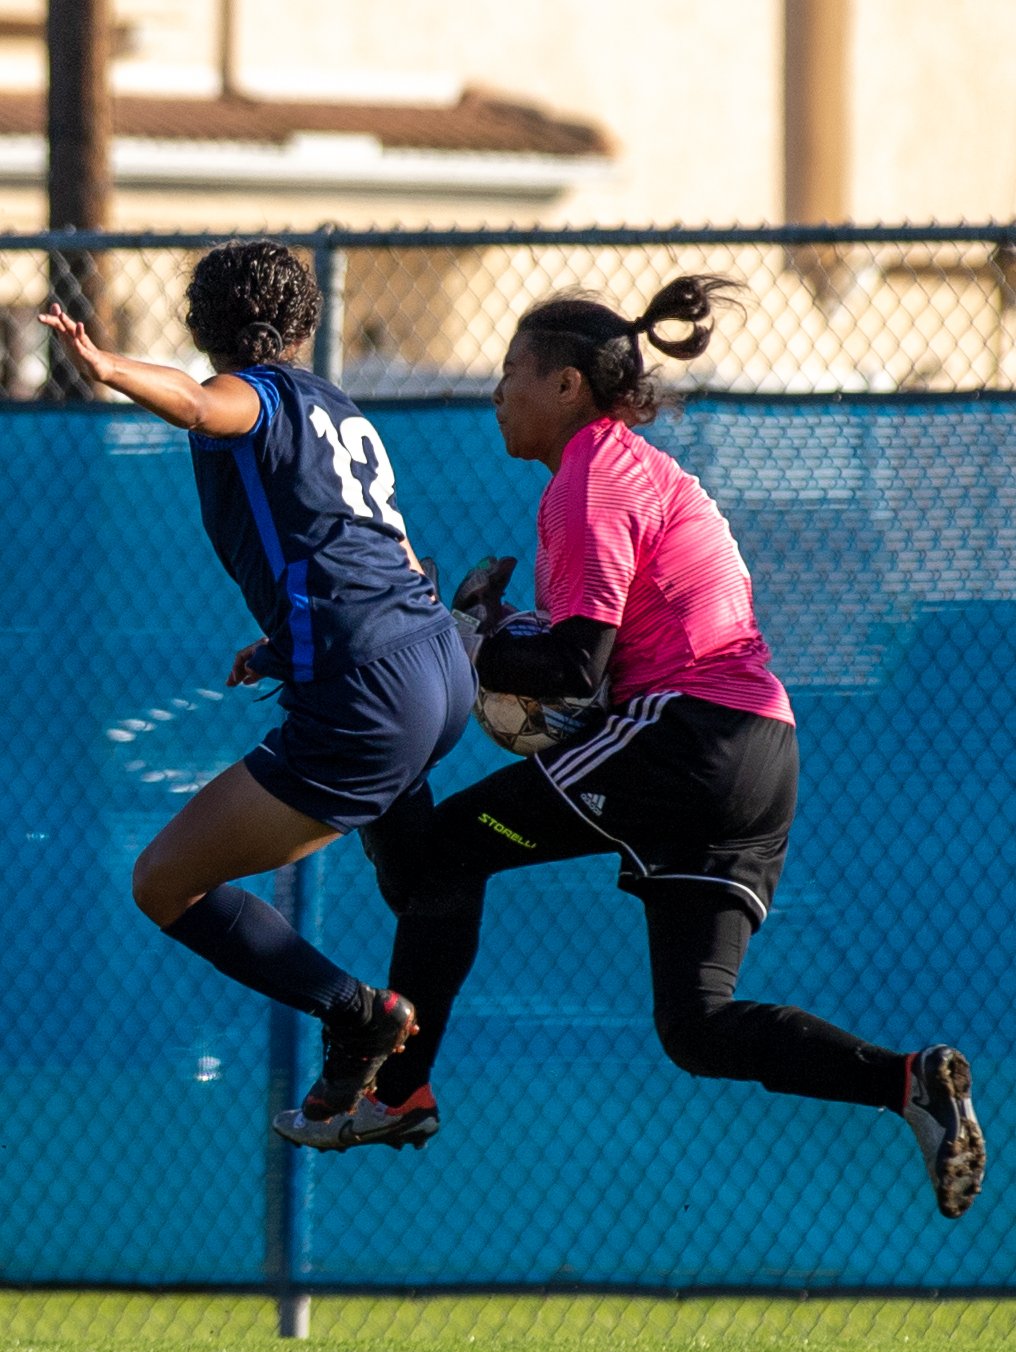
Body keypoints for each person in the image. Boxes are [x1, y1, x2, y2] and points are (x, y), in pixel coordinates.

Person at [273, 273, 987, 1222]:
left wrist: (459, 638)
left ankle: (399, 1094)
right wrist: (492, 628)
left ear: (568, 387)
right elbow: (596, 656)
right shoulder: (640, 470)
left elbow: (573, 668)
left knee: (434, 858)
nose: (497, 392)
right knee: (696, 1026)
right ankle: (910, 1083)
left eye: (512, 372)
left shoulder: (589, 476)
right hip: (761, 752)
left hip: (685, 736)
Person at [40, 239, 476, 1125]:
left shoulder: (262, 392)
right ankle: (396, 1090)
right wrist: (286, 645)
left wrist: (107, 365)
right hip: (434, 665)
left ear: (206, 326)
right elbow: (354, 550)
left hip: (371, 692)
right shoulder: (336, 405)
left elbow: (205, 407)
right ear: (302, 321)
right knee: (420, 883)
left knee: (164, 882)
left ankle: (360, 1018)